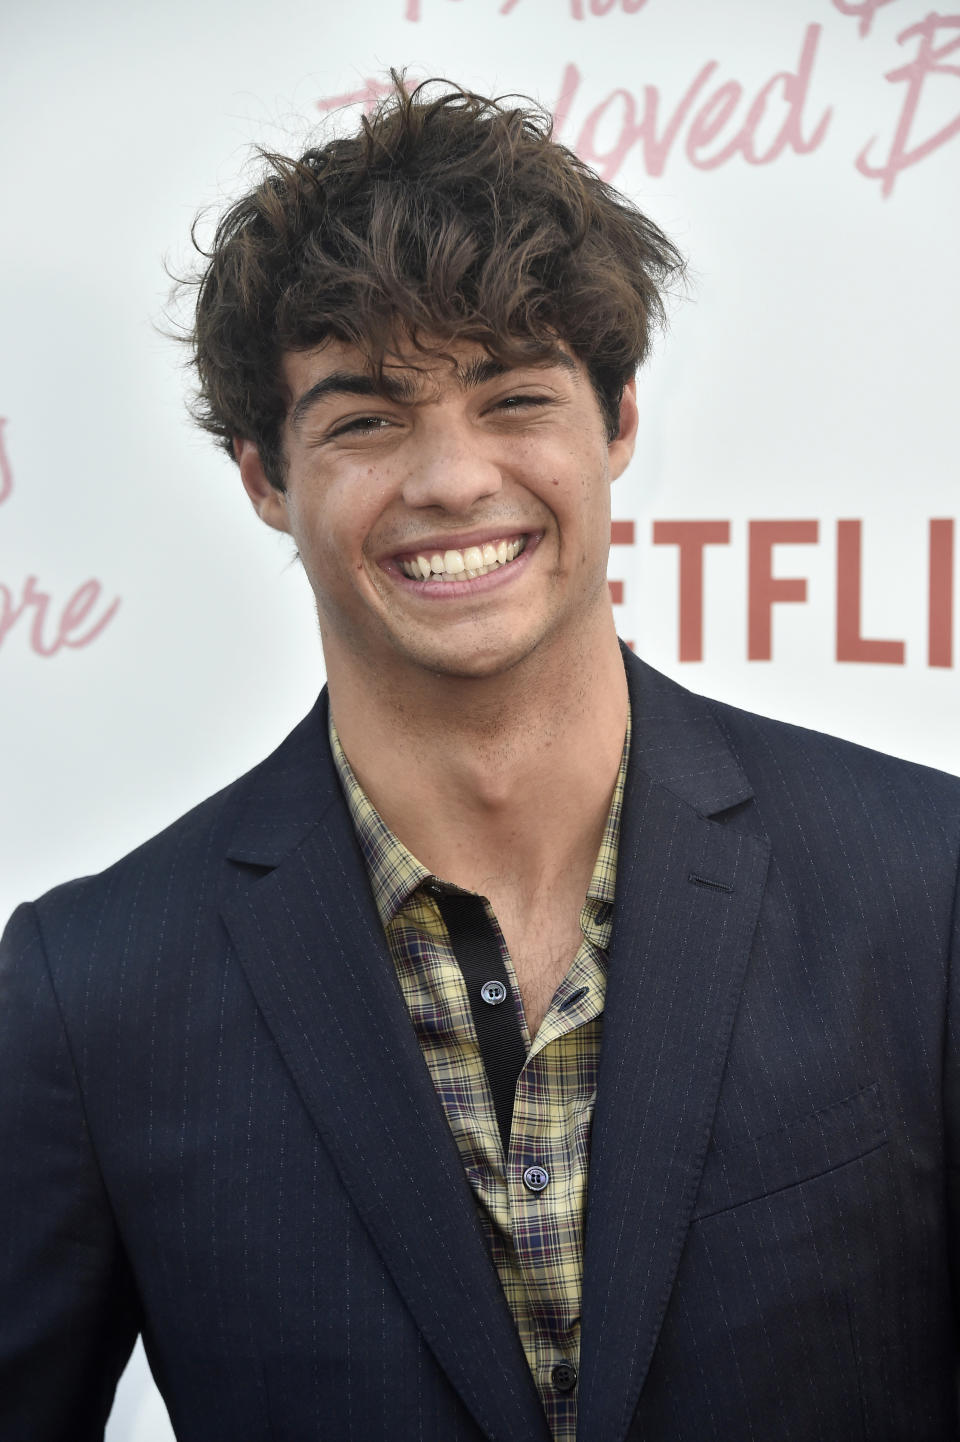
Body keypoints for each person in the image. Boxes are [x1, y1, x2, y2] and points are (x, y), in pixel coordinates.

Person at [1, 74, 958, 1442]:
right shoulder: (94, 995)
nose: (450, 478)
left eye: (513, 398)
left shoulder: (923, 890)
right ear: (264, 477)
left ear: (617, 422)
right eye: (366, 417)